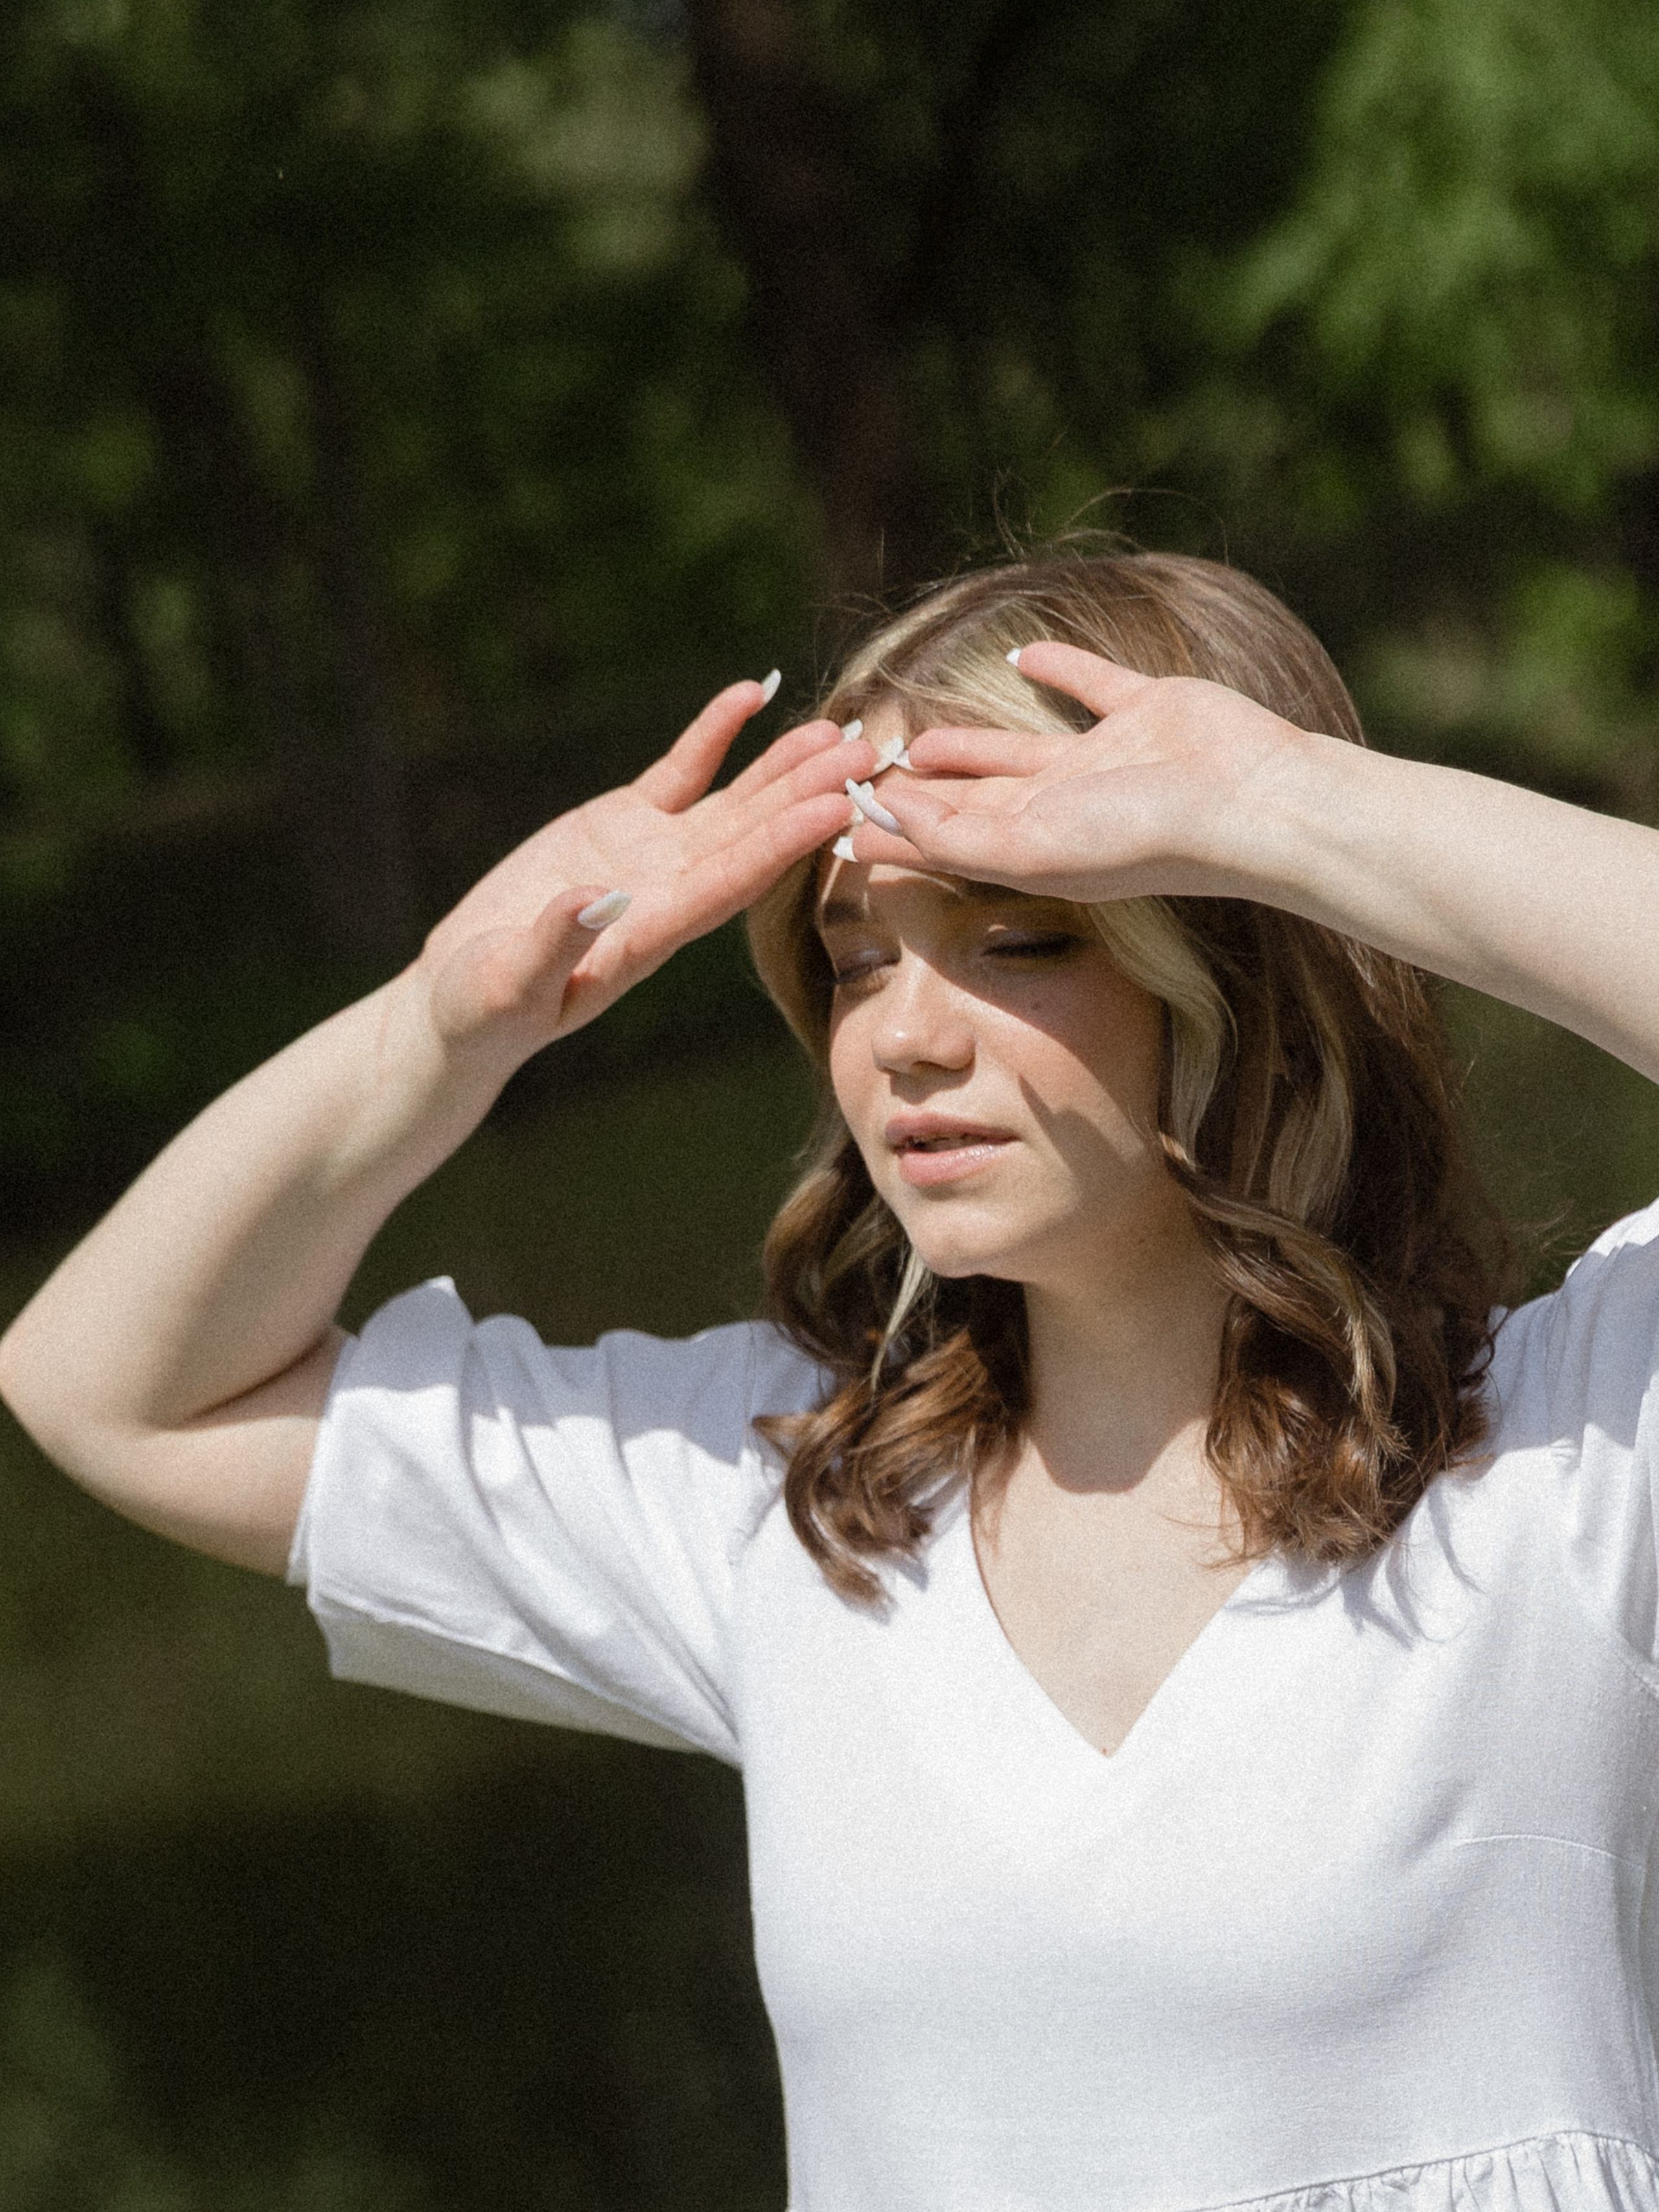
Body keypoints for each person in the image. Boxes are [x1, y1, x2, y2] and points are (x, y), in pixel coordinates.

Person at [4, 548, 1659, 2210]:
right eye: (858, 955)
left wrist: (1298, 813)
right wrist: (444, 1030)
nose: (904, 1037)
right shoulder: (781, 1501)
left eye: (1017, 936)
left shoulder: (1570, 1455)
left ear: (1238, 963)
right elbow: (113, 1389)